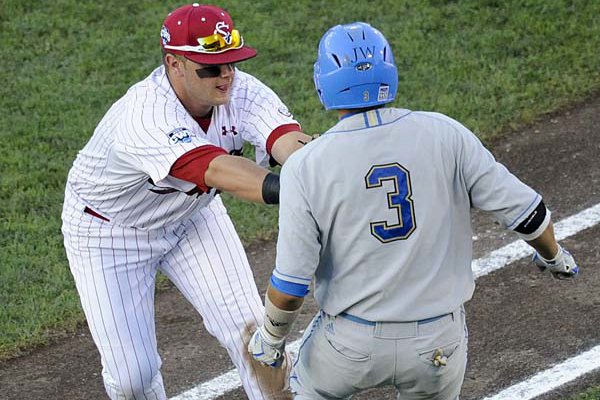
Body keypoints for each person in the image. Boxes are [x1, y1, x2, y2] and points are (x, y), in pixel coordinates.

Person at [248, 22, 579, 399]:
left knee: (305, 389)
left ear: (324, 82)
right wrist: (555, 258)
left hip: (349, 348)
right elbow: (527, 213)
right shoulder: (446, 133)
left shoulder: (306, 165)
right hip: (437, 344)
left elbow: (290, 287)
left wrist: (271, 340)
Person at [61, 3, 312, 399]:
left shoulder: (239, 88)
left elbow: (287, 141)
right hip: (108, 232)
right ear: (174, 63)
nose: (226, 74)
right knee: (132, 378)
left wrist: (320, 169)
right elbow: (217, 172)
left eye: (231, 62)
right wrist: (301, 189)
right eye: (211, 67)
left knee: (257, 340)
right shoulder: (146, 115)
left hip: (191, 216)